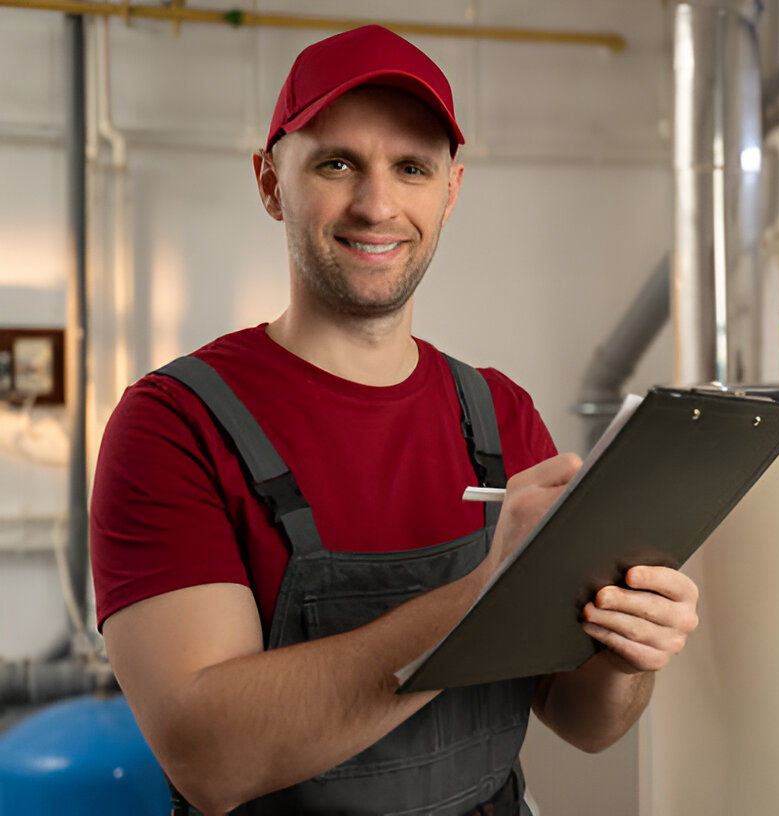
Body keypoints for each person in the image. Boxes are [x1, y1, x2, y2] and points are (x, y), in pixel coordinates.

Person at [90, 25, 699, 816]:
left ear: (449, 192)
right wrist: (482, 597)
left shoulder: (498, 414)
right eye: (337, 163)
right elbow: (210, 756)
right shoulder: (174, 424)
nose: (377, 204)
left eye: (411, 168)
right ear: (271, 184)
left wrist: (629, 651)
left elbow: (584, 721)